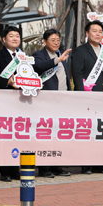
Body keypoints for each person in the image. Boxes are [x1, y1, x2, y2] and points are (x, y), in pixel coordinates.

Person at [70, 20, 103, 173]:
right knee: (87, 131)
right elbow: (77, 74)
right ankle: (86, 164)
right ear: (87, 33)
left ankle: (100, 163)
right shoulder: (80, 51)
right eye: (94, 31)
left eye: (100, 31)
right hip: (87, 98)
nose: (97, 34)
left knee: (101, 131)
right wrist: (82, 96)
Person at [0, 26, 25, 181]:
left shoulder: (24, 57)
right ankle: (5, 171)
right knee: (4, 136)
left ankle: (15, 169)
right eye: (11, 36)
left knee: (18, 136)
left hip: (21, 101)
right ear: (4, 39)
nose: (15, 38)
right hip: (3, 101)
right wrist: (7, 81)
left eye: (17, 36)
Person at [32, 29, 72, 177]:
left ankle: (56, 166)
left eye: (58, 40)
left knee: (57, 134)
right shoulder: (39, 55)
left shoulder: (60, 55)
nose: (56, 42)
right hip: (46, 102)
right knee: (45, 134)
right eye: (52, 40)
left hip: (62, 101)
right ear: (44, 42)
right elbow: (38, 67)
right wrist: (57, 60)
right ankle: (44, 168)